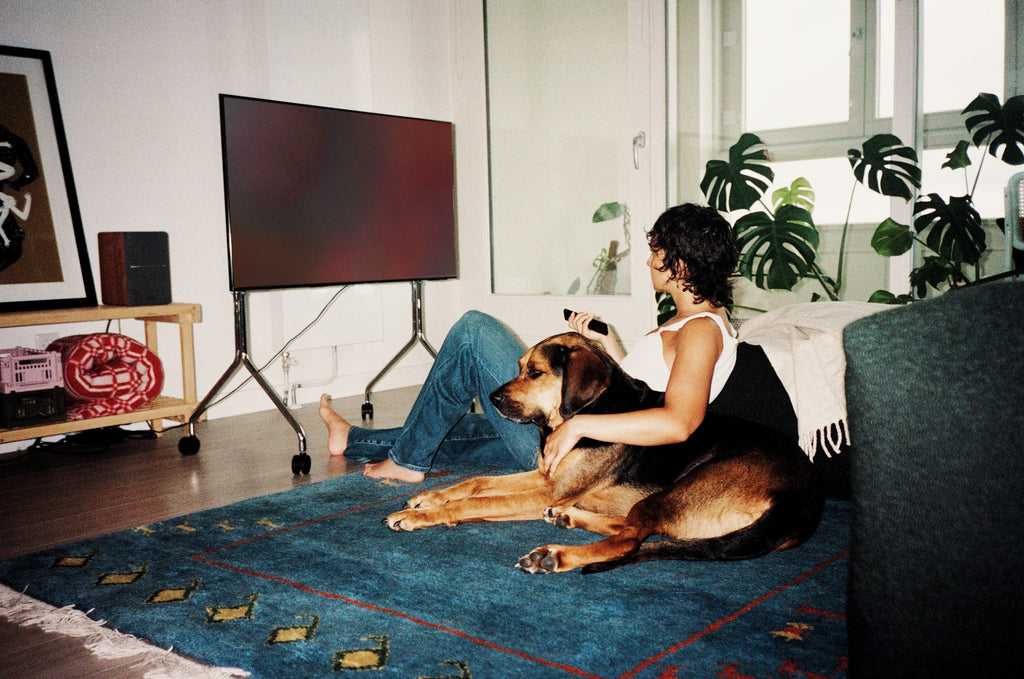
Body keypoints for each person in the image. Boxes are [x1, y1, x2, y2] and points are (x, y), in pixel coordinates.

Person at [318, 202, 741, 483]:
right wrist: (609, 346)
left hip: (594, 454)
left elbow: (679, 421)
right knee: (471, 430)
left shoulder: (701, 331)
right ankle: (352, 439)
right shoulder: (687, 323)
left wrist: (577, 425)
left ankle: (406, 462)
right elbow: (642, 391)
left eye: (657, 250)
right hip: (586, 435)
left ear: (680, 263)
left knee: (473, 331)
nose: (649, 259)